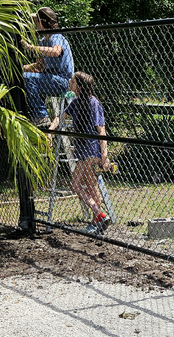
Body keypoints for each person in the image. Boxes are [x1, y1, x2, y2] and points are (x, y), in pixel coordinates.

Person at [61, 72, 112, 234]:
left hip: (91, 151)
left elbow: (101, 130)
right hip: (82, 151)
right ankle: (97, 223)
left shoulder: (93, 103)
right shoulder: (75, 102)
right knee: (91, 186)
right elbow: (60, 117)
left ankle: (100, 215)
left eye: (73, 81)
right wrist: (50, 130)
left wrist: (104, 156)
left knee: (75, 185)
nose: (70, 82)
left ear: (80, 86)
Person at [22, 7, 74, 127]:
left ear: (42, 22)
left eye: (36, 21)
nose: (35, 24)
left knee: (28, 78)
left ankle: (41, 116)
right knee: (25, 77)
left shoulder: (56, 36)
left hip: (64, 80)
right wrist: (22, 68)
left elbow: (56, 52)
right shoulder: (43, 41)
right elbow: (40, 66)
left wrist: (31, 47)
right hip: (50, 78)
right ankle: (34, 114)